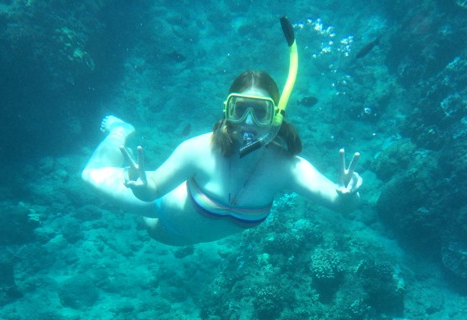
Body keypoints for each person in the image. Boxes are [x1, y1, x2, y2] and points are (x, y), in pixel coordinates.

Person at [82, 21, 362, 247]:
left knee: (154, 234)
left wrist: (348, 196)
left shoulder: (286, 168)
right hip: (159, 205)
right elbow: (153, 187)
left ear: (275, 115)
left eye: (260, 112)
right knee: (90, 174)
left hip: (179, 238)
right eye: (240, 109)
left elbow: (339, 203)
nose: (248, 123)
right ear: (227, 110)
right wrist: (142, 185)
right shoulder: (200, 149)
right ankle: (120, 131)